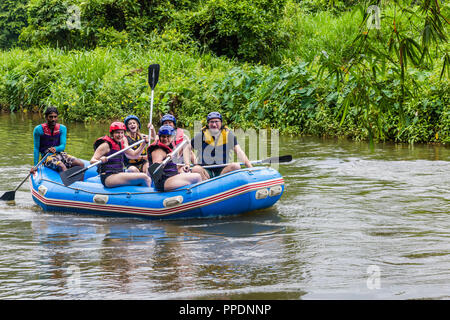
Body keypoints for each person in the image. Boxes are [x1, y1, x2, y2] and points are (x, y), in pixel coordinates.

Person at [191, 111, 252, 180]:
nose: (214, 125)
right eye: (211, 122)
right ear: (208, 124)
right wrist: (194, 162)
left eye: (216, 121)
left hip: (223, 170)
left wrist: (250, 167)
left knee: (236, 166)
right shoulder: (201, 134)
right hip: (206, 170)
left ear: (221, 123)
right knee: (196, 169)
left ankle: (219, 183)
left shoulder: (228, 134)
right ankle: (207, 185)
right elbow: (188, 149)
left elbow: (239, 152)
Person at [91, 122, 151, 188]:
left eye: (122, 133)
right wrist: (100, 160)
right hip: (108, 177)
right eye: (117, 132)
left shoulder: (121, 144)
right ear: (112, 133)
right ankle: (147, 196)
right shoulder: (106, 145)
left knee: (140, 176)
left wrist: (144, 144)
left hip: (118, 173)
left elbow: (134, 155)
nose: (120, 135)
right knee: (145, 178)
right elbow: (92, 161)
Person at [31, 106, 84, 174]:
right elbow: (36, 148)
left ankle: (79, 183)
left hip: (61, 154)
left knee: (80, 164)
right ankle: (67, 182)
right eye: (51, 117)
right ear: (46, 117)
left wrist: (55, 148)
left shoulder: (62, 128)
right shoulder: (38, 130)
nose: (53, 119)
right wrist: (35, 165)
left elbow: (62, 146)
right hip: (47, 157)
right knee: (61, 166)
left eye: (55, 117)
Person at [148, 125, 201, 191]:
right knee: (197, 177)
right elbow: (155, 170)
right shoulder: (158, 150)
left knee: (189, 174)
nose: (166, 139)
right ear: (159, 137)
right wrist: (167, 160)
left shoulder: (170, 147)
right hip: (163, 182)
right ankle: (198, 198)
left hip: (171, 177)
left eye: (168, 136)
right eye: (163, 137)